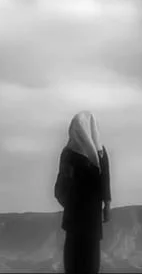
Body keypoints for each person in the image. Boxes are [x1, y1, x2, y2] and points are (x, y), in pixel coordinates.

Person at [54, 110, 112, 274]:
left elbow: (60, 189)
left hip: (74, 220)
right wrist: (106, 207)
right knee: (91, 264)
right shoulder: (101, 154)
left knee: (73, 264)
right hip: (93, 221)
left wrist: (69, 203)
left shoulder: (69, 155)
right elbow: (105, 182)